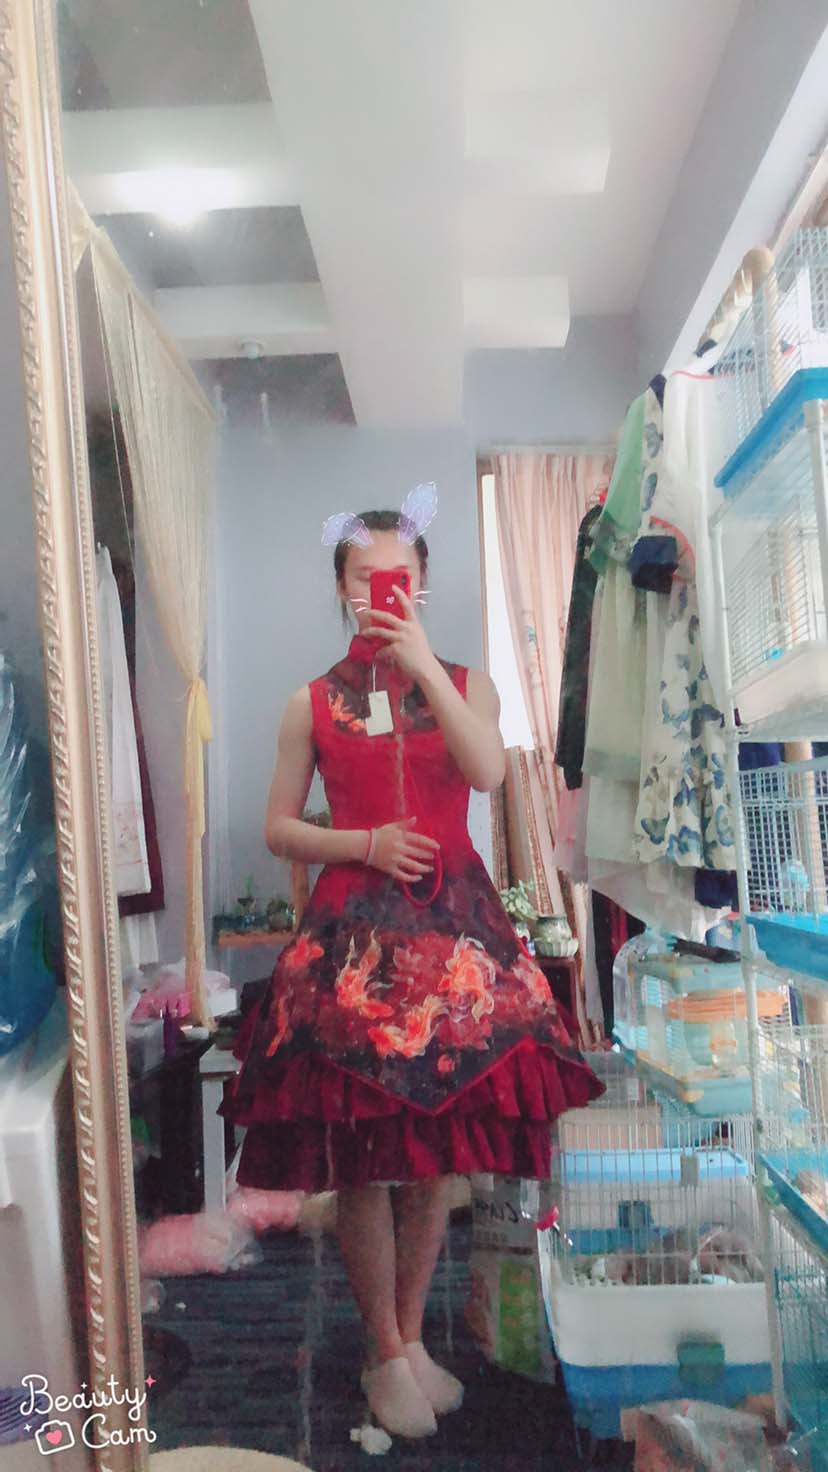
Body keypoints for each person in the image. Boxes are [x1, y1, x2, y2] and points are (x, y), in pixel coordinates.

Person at [220, 505, 603, 1439]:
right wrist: (366, 843)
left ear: (420, 586)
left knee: (435, 1157)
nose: (381, 594)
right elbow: (279, 826)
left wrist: (425, 663)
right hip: (355, 950)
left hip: (454, 942)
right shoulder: (310, 702)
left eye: (398, 578)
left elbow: (488, 773)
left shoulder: (466, 683)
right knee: (362, 1160)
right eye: (364, 578)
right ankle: (383, 1350)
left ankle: (411, 1339)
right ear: (342, 589)